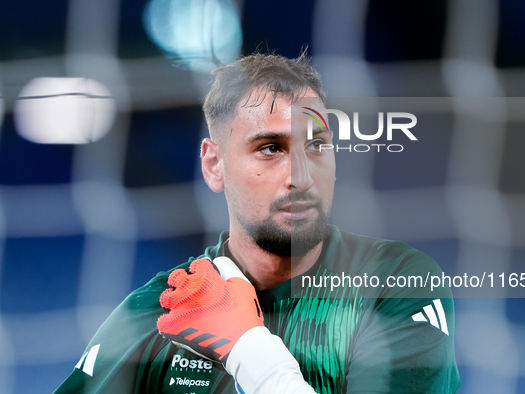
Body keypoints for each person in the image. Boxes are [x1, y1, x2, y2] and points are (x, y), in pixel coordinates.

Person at [54, 53, 460, 393]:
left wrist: (246, 347)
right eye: (270, 148)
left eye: (316, 145)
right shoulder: (158, 312)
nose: (300, 174)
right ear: (215, 165)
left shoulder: (394, 284)